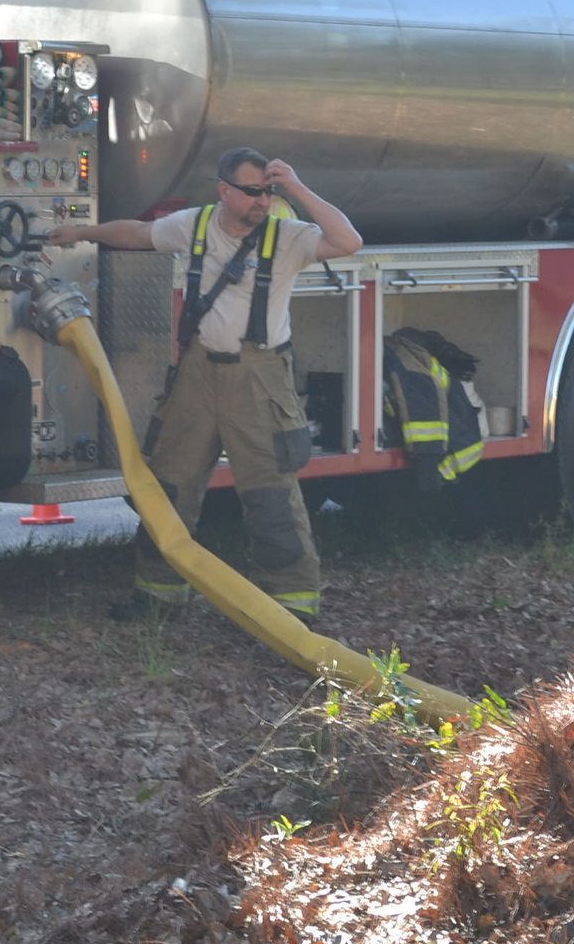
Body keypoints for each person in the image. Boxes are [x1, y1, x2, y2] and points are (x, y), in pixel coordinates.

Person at [46, 148, 362, 619]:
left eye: (268, 191)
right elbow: (135, 234)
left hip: (259, 380)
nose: (262, 201)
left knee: (270, 496)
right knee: (168, 488)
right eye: (253, 192)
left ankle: (292, 610)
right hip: (196, 374)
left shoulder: (288, 235)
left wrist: (294, 185)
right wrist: (79, 233)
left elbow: (348, 241)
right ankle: (158, 597)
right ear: (224, 191)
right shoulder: (195, 225)